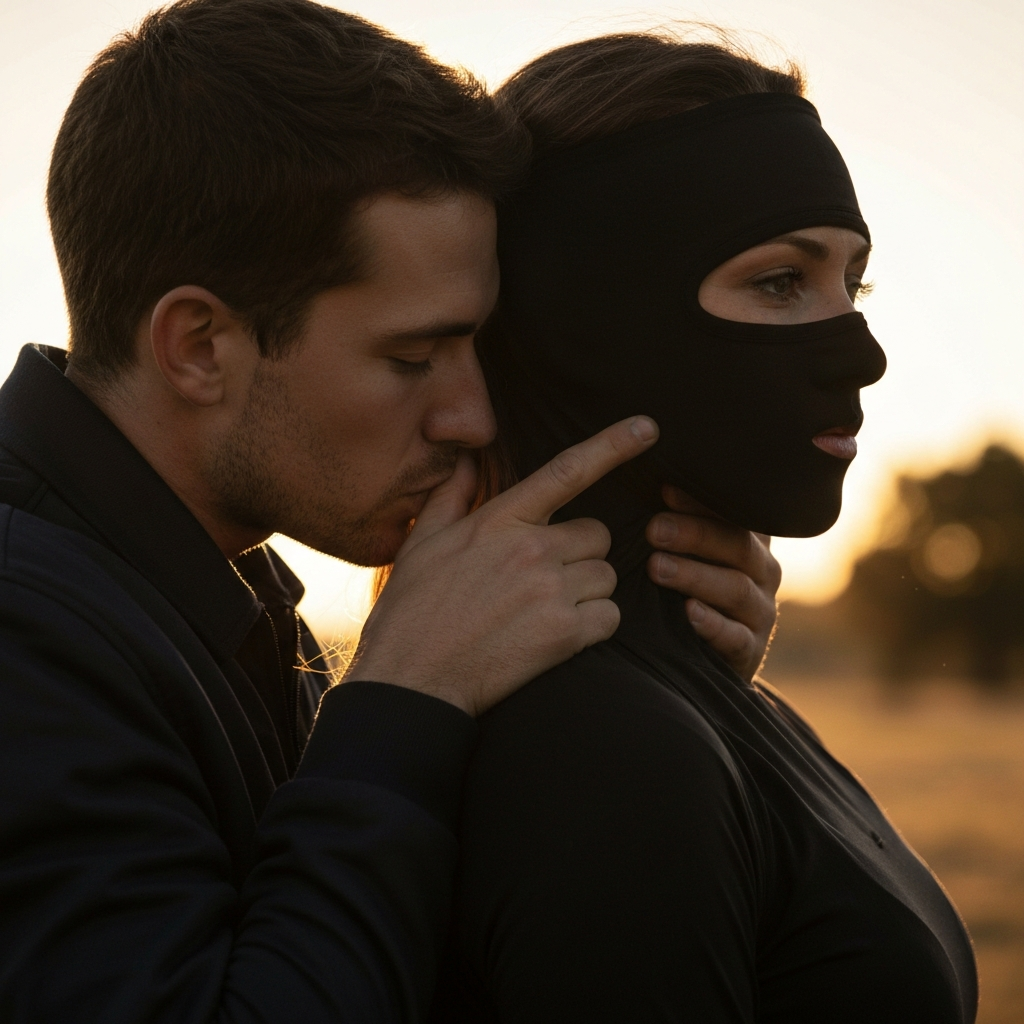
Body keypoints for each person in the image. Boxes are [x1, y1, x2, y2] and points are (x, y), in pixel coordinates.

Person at [0, 3, 782, 1021]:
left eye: (478, 349)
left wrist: (672, 680)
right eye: (411, 358)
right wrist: (404, 699)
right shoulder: (25, 631)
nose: (472, 413)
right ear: (198, 345)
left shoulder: (208, 592)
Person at [433, 33, 978, 1024]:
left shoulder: (700, 700)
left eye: (850, 283)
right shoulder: (594, 748)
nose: (861, 353)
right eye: (780, 281)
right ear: (587, 314)